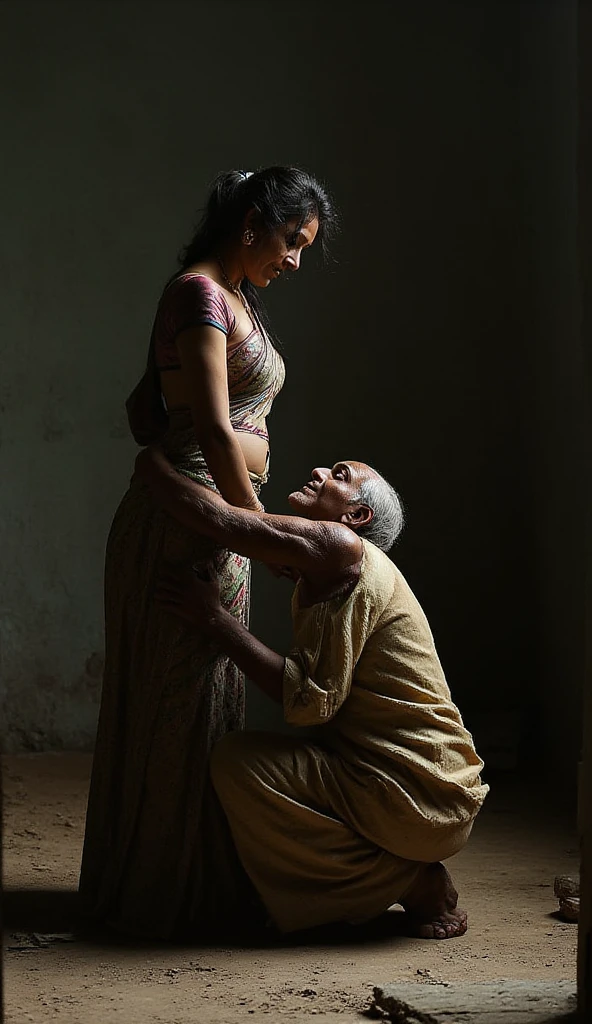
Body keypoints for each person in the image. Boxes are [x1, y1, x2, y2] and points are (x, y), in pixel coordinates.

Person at [78, 167, 337, 939]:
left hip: (213, 519)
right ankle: (156, 900)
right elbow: (217, 431)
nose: (295, 261)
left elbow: (146, 407)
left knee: (205, 709)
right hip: (189, 522)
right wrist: (258, 529)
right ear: (254, 222)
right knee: (172, 705)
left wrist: (243, 525)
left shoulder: (232, 297)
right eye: (292, 242)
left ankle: (190, 887)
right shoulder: (197, 294)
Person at [135, 446, 489, 939]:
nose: (320, 471)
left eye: (338, 475)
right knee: (263, 763)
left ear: (356, 515)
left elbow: (221, 521)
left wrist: (152, 465)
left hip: (418, 798)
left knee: (240, 764)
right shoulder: (340, 564)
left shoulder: (338, 546)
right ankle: (400, 872)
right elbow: (256, 532)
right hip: (431, 796)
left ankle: (407, 880)